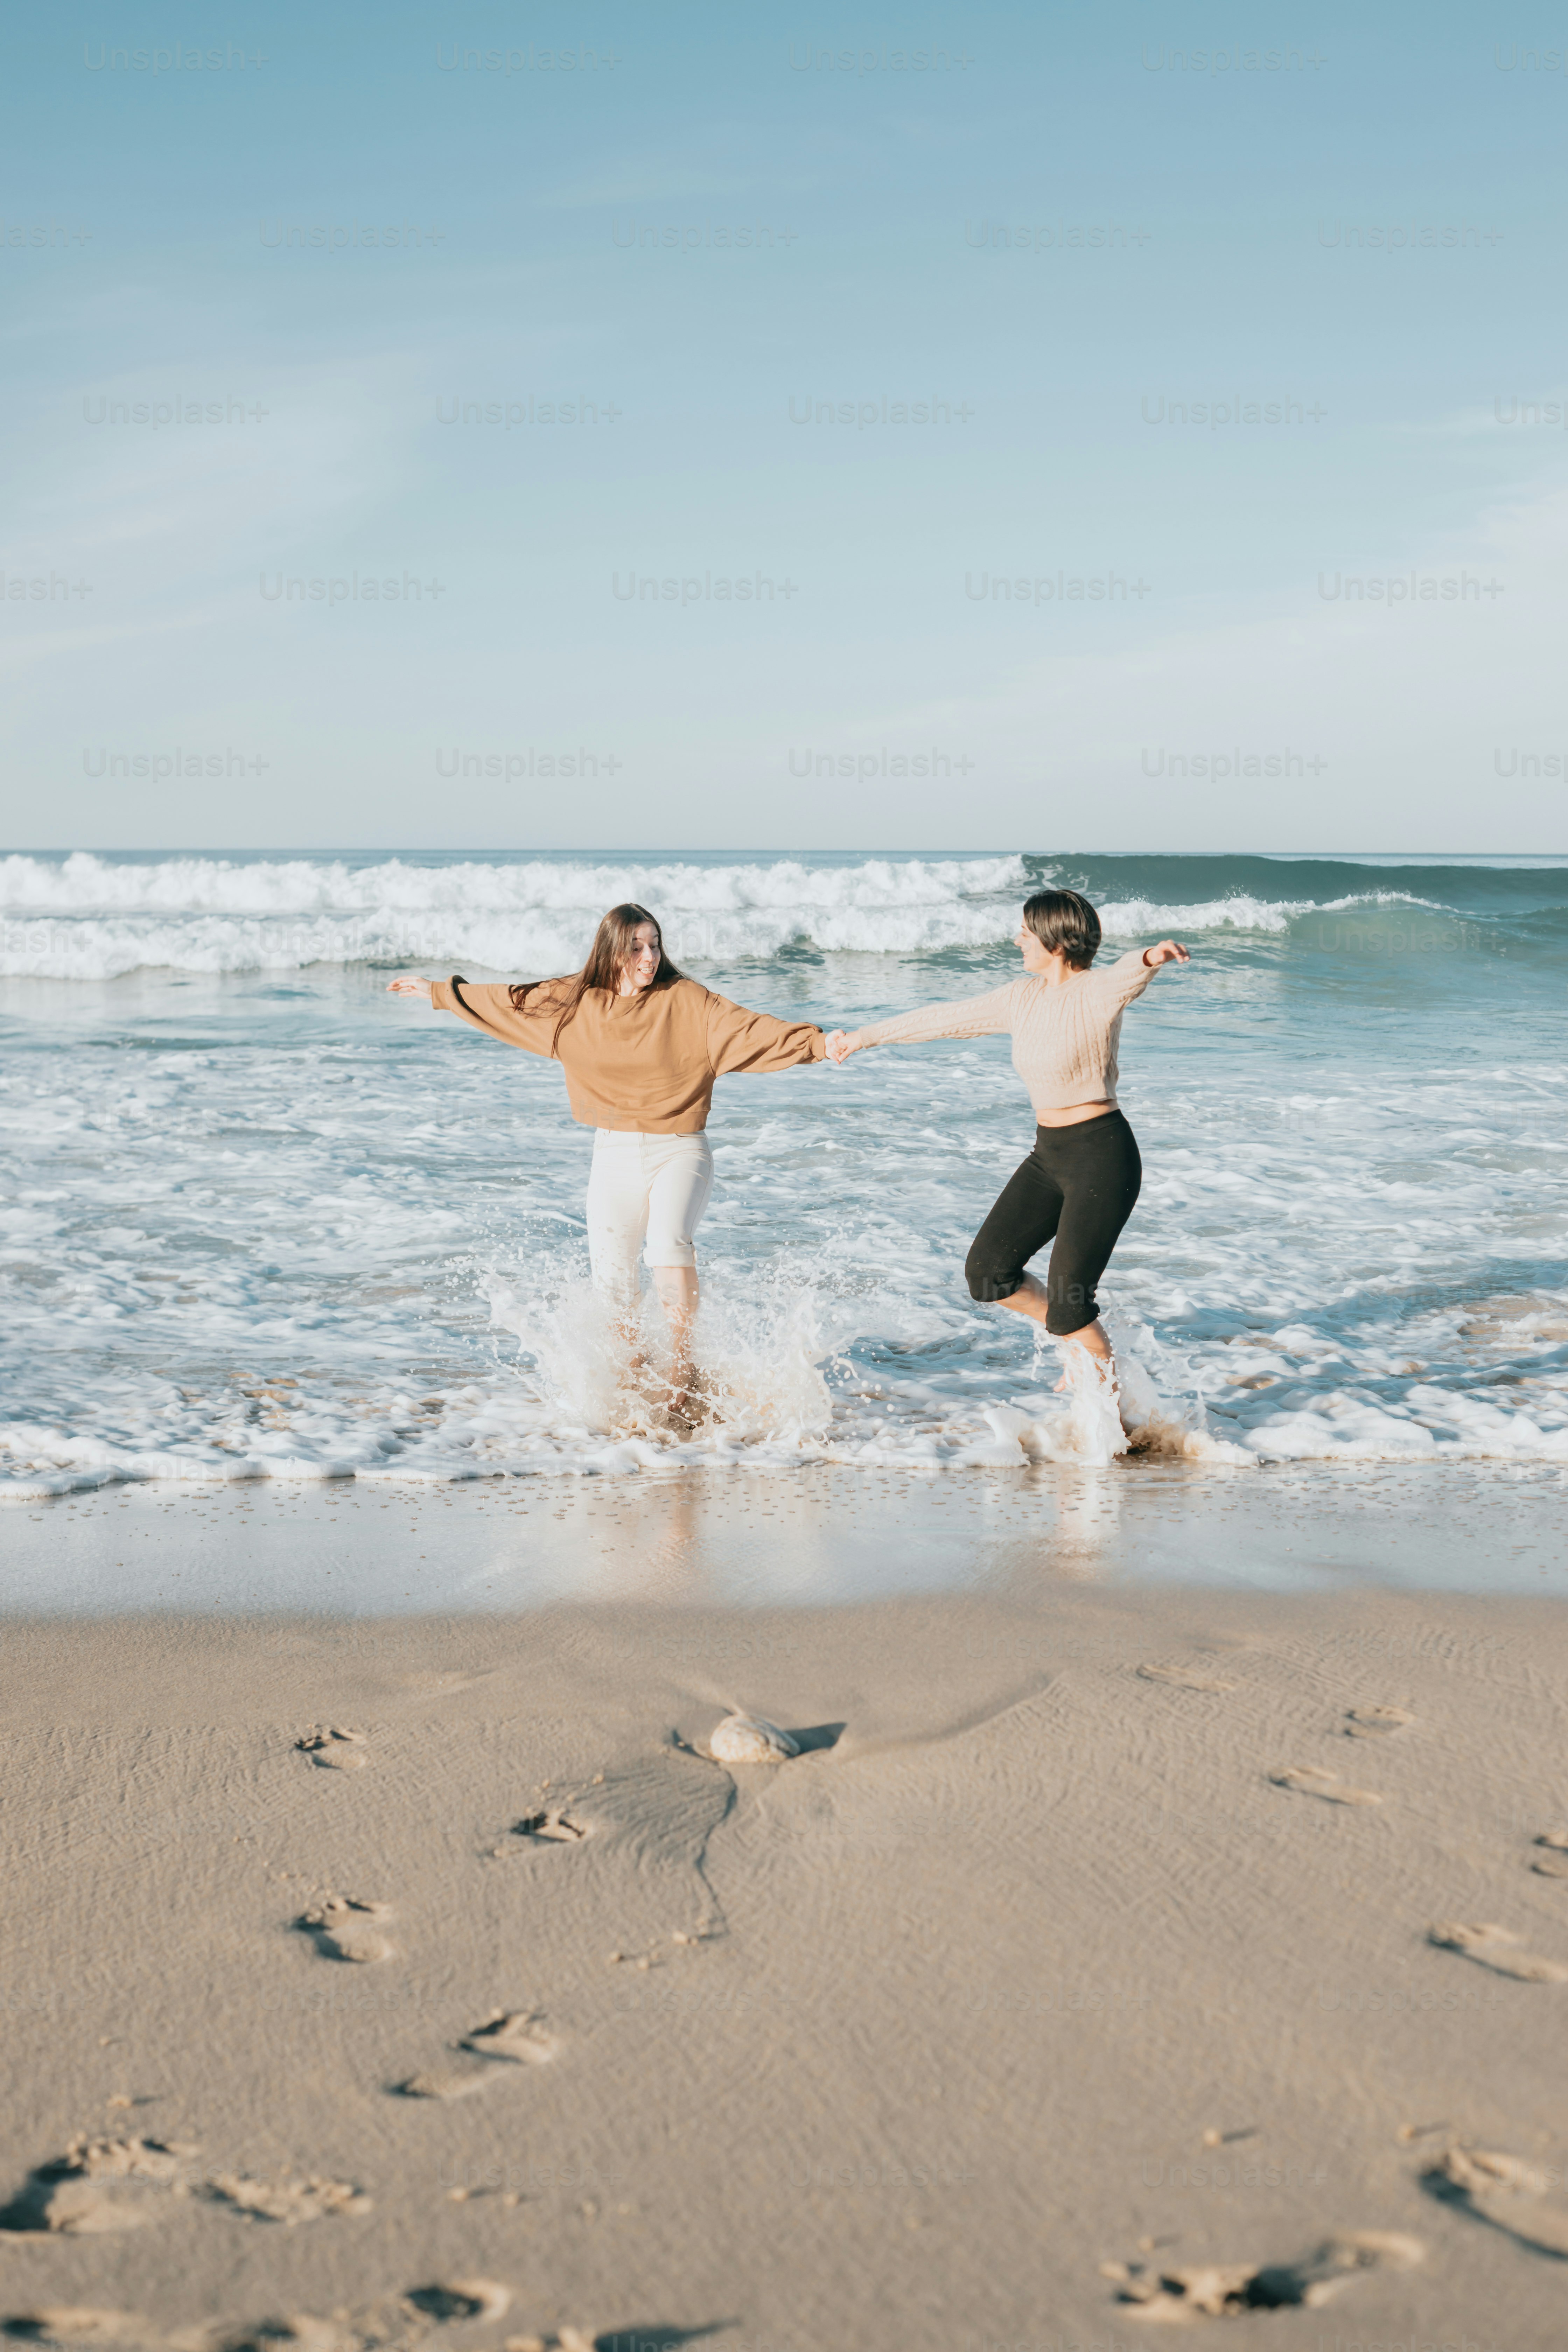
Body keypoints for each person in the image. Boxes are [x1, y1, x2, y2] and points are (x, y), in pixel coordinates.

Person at [388, 904, 844, 1423]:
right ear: (612, 951)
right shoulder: (576, 1002)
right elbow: (511, 1004)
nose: (650, 957)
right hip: (614, 1153)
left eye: (655, 945)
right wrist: (440, 993)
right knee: (614, 1284)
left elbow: (749, 1029)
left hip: (680, 1148)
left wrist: (820, 1044)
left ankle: (681, 1373)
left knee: (668, 1244)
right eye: (636, 947)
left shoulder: (686, 1001)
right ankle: (629, 1384)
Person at [828, 888, 1187, 1418]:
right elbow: (943, 1019)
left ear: (1056, 939)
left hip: (1102, 1158)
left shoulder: (1095, 992)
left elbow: (1127, 975)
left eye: (1026, 930)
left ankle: (1110, 1429)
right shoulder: (1022, 997)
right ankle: (1073, 1341)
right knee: (988, 1273)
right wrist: (863, 1038)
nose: (1017, 938)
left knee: (1071, 1304)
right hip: (1050, 1155)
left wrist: (1153, 956)